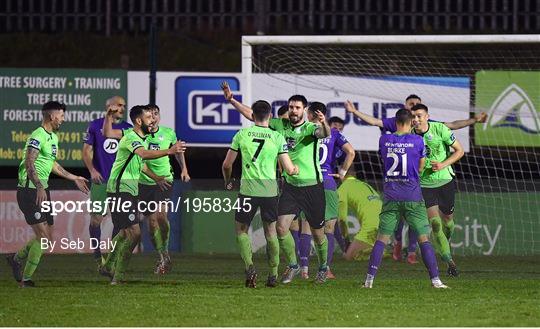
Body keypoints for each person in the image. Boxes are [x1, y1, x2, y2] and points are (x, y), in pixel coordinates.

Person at [222, 81, 332, 284]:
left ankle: (324, 266)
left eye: (297, 107)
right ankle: (293, 265)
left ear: (304, 110)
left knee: (318, 233)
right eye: (291, 107)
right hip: (290, 187)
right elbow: (252, 115)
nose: (293, 110)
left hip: (312, 187)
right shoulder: (280, 125)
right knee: (281, 228)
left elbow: (325, 134)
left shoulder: (310, 128)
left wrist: (324, 122)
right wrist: (232, 101)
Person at [98, 105, 185, 284]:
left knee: (124, 232)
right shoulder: (131, 137)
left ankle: (108, 266)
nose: (152, 120)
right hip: (120, 188)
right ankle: (117, 277)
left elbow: (141, 162)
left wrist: (158, 176)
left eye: (154, 117)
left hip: (129, 188)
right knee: (135, 233)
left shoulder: (143, 138)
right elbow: (142, 153)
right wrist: (169, 151)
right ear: (139, 121)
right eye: (148, 117)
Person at [6, 101, 89, 287]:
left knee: (48, 238)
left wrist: (73, 177)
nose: (63, 119)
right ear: (52, 116)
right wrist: (38, 185)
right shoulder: (38, 135)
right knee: (43, 238)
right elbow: (29, 162)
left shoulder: (53, 137)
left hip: (42, 188)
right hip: (30, 189)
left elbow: (52, 164)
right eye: (61, 115)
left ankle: (16, 258)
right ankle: (25, 280)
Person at [363, 108, 447, 289]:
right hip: (412, 196)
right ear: (410, 122)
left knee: (381, 239)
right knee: (423, 238)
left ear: (395, 121)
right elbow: (421, 164)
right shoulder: (418, 140)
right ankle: (436, 281)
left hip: (391, 196)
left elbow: (384, 161)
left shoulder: (384, 140)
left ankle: (369, 280)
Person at [222, 100, 299, 288]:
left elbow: (226, 165)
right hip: (270, 192)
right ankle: (273, 274)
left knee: (241, 230)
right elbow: (289, 169)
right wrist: (296, 169)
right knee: (271, 233)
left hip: (247, 191)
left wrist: (228, 181)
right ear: (270, 116)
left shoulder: (242, 134)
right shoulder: (277, 137)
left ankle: (250, 267)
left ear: (253, 115)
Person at [297, 103, 355, 280]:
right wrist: (343, 172)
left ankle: (305, 269)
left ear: (310, 113)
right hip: (328, 180)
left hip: (309, 181)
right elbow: (351, 152)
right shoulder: (334, 133)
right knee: (329, 228)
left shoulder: (304, 130)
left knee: (306, 226)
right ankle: (325, 269)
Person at [411, 103, 464, 276]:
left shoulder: (440, 129)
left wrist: (442, 164)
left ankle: (446, 240)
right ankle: (449, 261)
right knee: (434, 224)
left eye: (419, 115)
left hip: (445, 180)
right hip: (425, 185)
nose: (416, 119)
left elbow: (460, 151)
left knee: (447, 220)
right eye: (413, 116)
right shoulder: (410, 136)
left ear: (427, 116)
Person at [83, 96, 132, 265]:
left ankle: (112, 256)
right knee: (96, 219)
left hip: (120, 183)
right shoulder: (95, 125)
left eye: (124, 106)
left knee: (119, 220)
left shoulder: (128, 129)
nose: (122, 108)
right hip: (101, 181)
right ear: (109, 106)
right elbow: (86, 151)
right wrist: (92, 170)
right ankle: (97, 255)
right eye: (119, 105)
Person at [338, 167, 382, 262]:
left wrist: (345, 239)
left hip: (371, 226)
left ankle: (379, 253)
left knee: (347, 257)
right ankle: (376, 249)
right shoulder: (365, 185)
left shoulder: (343, 188)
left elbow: (342, 219)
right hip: (384, 223)